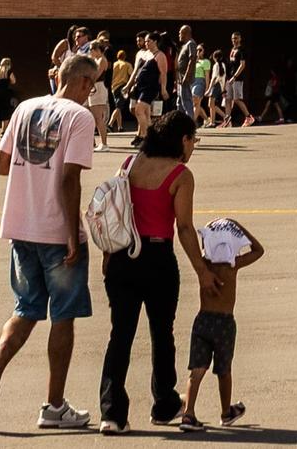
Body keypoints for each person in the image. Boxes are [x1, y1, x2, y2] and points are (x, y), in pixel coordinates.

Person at [0, 50, 102, 434]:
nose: (90, 92)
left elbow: (1, 165)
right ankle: (54, 405)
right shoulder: (79, 118)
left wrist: (28, 176)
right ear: (81, 81)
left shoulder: (25, 107)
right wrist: (71, 234)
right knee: (63, 316)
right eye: (91, 84)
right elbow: (69, 179)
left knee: (26, 308)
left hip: (20, 226)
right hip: (53, 229)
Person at [97, 113, 195, 435]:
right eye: (192, 140)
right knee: (162, 334)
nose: (192, 147)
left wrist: (108, 254)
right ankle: (164, 403)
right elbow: (184, 227)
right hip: (157, 258)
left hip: (123, 256)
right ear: (182, 140)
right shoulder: (181, 174)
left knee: (120, 336)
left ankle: (112, 413)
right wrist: (203, 270)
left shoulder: (128, 164)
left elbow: (114, 211)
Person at [180, 199, 264, 433]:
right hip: (225, 323)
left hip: (203, 319)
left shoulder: (203, 265)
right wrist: (238, 227)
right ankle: (226, 411)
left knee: (197, 369)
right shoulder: (233, 264)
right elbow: (259, 250)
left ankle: (188, 414)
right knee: (223, 369)